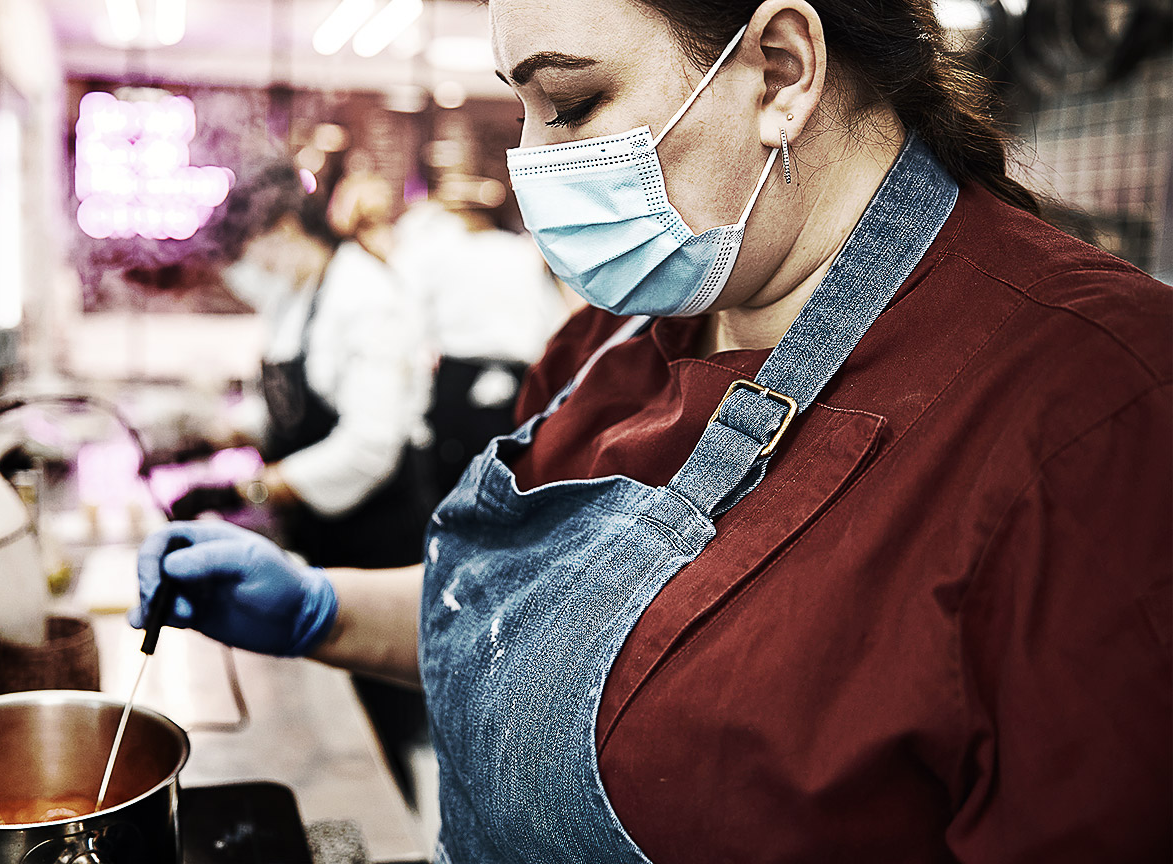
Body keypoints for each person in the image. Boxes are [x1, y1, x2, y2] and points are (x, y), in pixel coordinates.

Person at [135, 1, 1173, 862]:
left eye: (573, 102)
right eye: (523, 109)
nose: (529, 164)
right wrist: (324, 611)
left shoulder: (1098, 412)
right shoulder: (609, 344)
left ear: (779, 69)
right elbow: (567, 637)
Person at [180, 158, 434, 571]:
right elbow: (291, 411)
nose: (254, 268)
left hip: (374, 539)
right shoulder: (295, 296)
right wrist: (212, 437)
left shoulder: (364, 295)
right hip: (315, 531)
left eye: (251, 251)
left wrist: (252, 489)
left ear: (284, 227)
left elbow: (367, 449)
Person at [391, 196, 572, 498]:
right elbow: (553, 323)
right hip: (513, 380)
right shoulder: (520, 252)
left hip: (465, 382)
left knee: (455, 488)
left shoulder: (438, 252)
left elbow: (410, 326)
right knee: (512, 480)